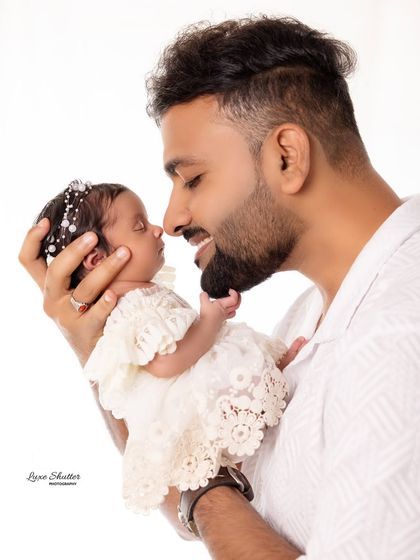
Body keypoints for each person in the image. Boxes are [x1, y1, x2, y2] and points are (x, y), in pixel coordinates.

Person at [19, 15, 420, 560]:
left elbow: (203, 491)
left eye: (193, 179)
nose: (173, 217)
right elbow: (194, 482)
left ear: (287, 157)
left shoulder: (399, 341)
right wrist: (96, 345)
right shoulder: (312, 318)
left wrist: (205, 488)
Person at [34, 178, 297, 514]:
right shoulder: (130, 308)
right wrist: (209, 322)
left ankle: (277, 380)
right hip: (189, 404)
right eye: (140, 226)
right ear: (96, 260)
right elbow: (166, 362)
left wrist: (211, 321)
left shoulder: (143, 295)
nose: (158, 229)